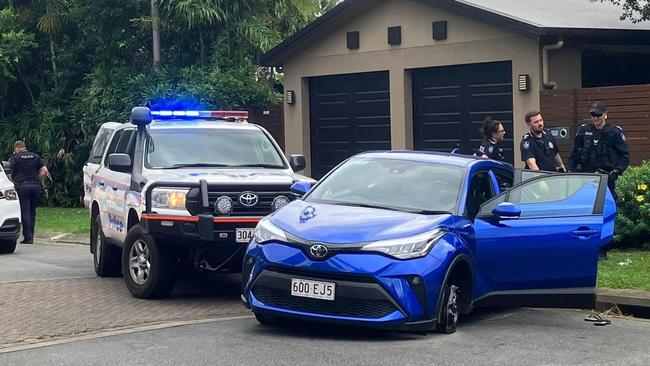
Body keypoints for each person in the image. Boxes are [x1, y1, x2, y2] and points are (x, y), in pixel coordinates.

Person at [569, 101, 629, 202]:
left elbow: (624, 156)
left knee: (606, 205)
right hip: (586, 177)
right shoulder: (583, 131)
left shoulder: (614, 132)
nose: (595, 118)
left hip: (606, 178)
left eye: (598, 114)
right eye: (593, 114)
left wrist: (617, 171)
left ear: (605, 114)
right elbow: (574, 154)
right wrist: (571, 171)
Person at [8, 141, 49, 244]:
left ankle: (28, 237)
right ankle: (31, 235)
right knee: (32, 211)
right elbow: (44, 171)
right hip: (35, 186)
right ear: (24, 147)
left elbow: (8, 171)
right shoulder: (35, 156)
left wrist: (12, 181)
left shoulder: (15, 158)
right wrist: (37, 179)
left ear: (17, 148)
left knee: (25, 212)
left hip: (22, 187)